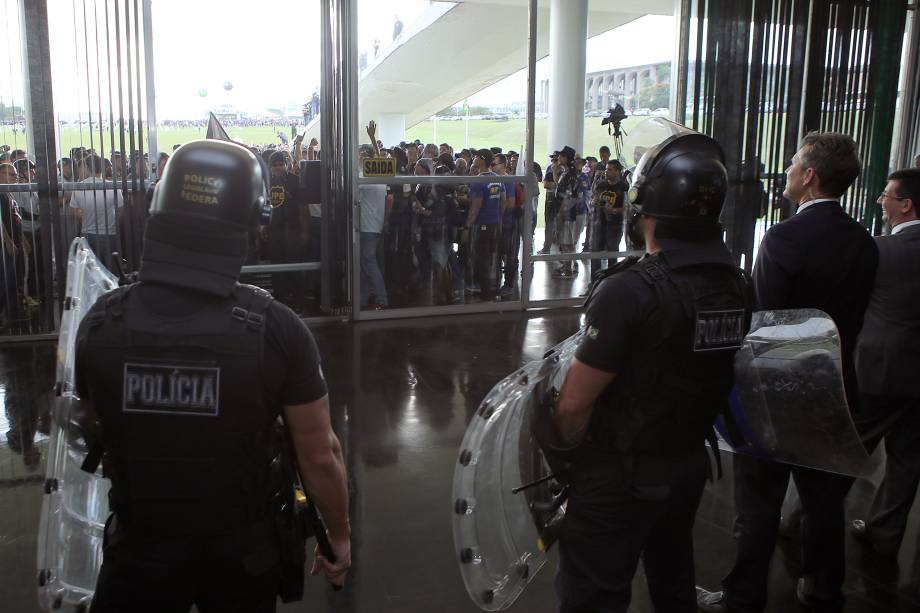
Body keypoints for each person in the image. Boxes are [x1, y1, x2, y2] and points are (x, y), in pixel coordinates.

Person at [74, 139, 351, 613]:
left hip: (138, 553)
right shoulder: (277, 330)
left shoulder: (101, 322)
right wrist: (340, 537)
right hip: (240, 559)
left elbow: (92, 428)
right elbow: (320, 452)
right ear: (251, 223)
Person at [542, 128, 750, 613]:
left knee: (594, 591)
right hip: (687, 464)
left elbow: (573, 404)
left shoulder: (629, 290)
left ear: (646, 208)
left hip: (619, 473)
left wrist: (567, 462)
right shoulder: (737, 282)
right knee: (672, 578)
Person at [697, 131, 878, 613]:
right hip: (835, 385)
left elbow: (765, 319)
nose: (789, 170)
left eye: (795, 162)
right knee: (822, 500)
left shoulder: (783, 237)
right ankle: (823, 589)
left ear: (810, 176)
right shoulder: (863, 240)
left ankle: (744, 596)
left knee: (757, 505)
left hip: (778, 391)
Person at [850, 168, 920, 557]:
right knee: (908, 459)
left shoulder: (879, 250)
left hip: (878, 371)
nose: (881, 201)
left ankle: (798, 520)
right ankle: (885, 532)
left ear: (905, 205)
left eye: (886, 195)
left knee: (845, 452)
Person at [463, 149, 507, 302]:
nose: (473, 158)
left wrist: (467, 226)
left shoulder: (478, 181)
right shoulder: (497, 178)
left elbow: (475, 207)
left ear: (481, 160)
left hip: (481, 225)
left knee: (480, 258)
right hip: (494, 224)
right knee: (490, 257)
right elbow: (503, 200)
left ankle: (485, 294)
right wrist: (497, 217)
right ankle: (492, 289)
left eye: (475, 156)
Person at [69, 153, 125, 269]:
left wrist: (87, 216)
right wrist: (111, 222)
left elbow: (74, 212)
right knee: (111, 271)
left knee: (90, 272)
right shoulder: (112, 187)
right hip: (109, 234)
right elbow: (121, 212)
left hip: (87, 234)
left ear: (87, 168)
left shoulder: (79, 187)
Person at [588, 160, 627, 276]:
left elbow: (628, 208)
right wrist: (593, 201)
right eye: (606, 169)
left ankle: (611, 281)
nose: (606, 172)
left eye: (610, 169)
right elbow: (592, 199)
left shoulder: (623, 187)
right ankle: (594, 282)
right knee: (595, 253)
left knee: (612, 254)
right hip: (598, 223)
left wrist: (614, 210)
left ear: (617, 171)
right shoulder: (601, 184)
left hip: (614, 226)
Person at [554, 146, 579, 277]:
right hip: (564, 211)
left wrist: (561, 212)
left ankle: (569, 267)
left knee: (568, 241)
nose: (558, 158)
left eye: (561, 156)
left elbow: (568, 196)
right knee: (563, 240)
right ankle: (566, 265)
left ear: (566, 158)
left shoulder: (571, 174)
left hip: (568, 213)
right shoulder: (565, 172)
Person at [538, 152, 560, 254]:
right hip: (550, 198)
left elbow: (562, 186)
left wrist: (556, 184)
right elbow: (546, 184)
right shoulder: (549, 168)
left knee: (559, 226)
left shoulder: (564, 170)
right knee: (549, 224)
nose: (553, 162)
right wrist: (556, 185)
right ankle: (546, 248)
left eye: (555, 160)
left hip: (560, 200)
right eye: (552, 160)